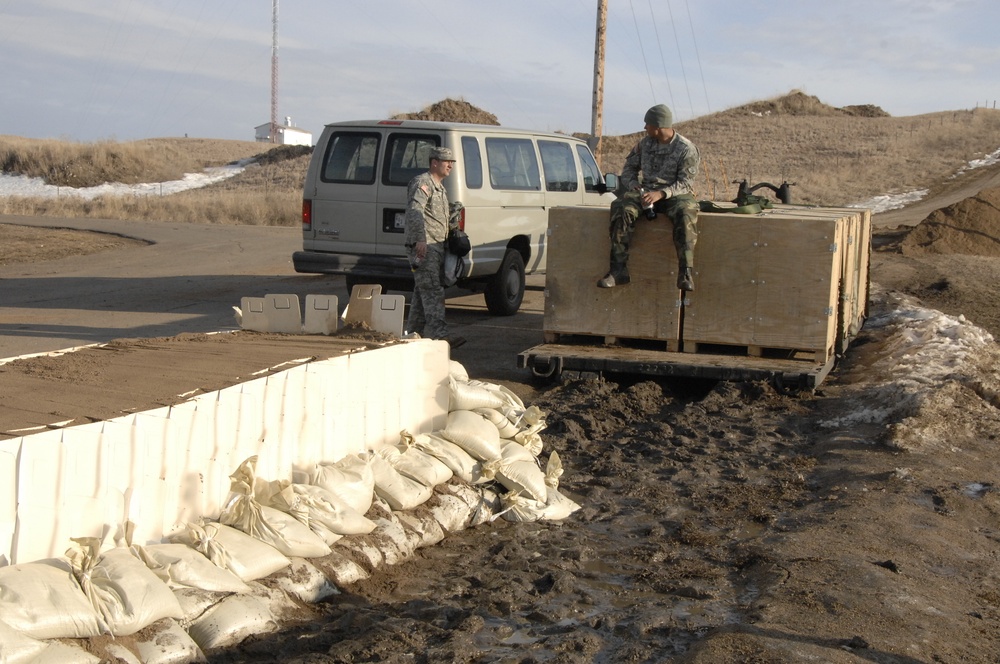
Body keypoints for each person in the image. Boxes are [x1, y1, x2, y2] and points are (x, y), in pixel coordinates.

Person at [598, 103, 701, 291]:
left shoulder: (685, 148)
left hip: (674, 194)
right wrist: (634, 186)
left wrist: (661, 194)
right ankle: (618, 270)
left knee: (686, 214)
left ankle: (685, 272)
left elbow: (686, 182)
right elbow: (629, 169)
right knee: (621, 208)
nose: (645, 128)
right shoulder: (645, 144)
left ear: (659, 126)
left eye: (648, 124)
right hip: (645, 193)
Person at [404, 146, 466, 348]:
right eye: (447, 161)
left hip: (437, 247)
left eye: (452, 162)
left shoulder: (439, 187)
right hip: (426, 247)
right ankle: (441, 338)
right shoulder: (423, 183)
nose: (450, 165)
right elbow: (415, 211)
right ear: (434, 163)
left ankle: (413, 335)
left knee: (422, 294)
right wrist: (420, 240)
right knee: (433, 292)